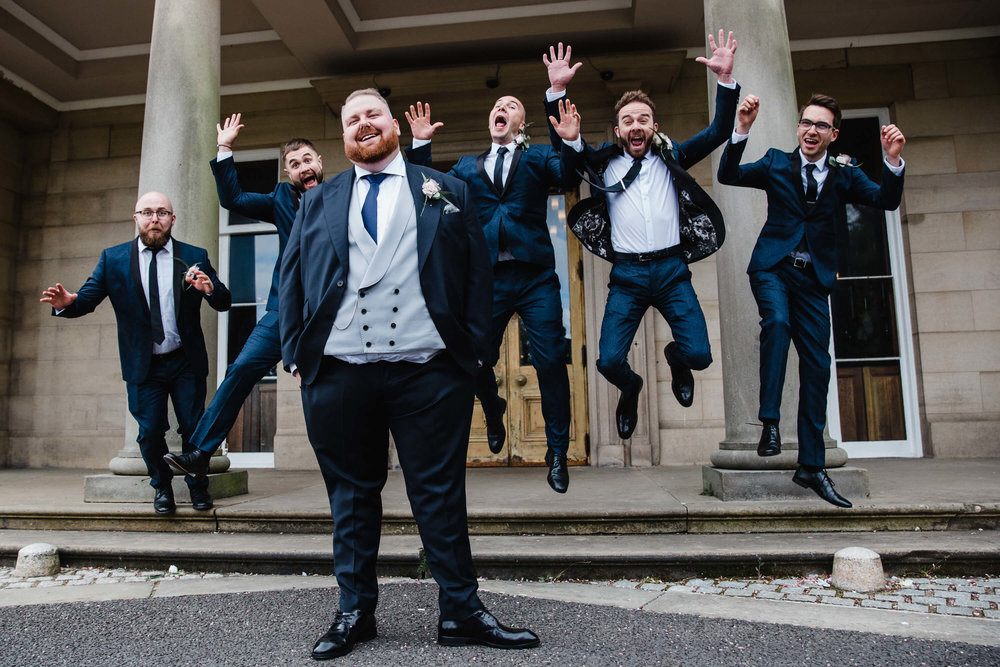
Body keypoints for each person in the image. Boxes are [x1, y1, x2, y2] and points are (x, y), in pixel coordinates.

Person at [279, 88, 539, 660]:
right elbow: (290, 281)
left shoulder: (448, 191)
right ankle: (354, 613)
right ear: (344, 135)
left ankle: (461, 612)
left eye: (372, 115)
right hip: (340, 372)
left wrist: (471, 356)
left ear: (393, 124)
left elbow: (477, 278)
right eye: (352, 120)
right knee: (350, 496)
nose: (363, 125)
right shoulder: (316, 202)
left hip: (428, 371)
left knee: (440, 494)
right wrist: (296, 352)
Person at [403, 46, 582, 493]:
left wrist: (558, 97)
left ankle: (556, 451)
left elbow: (570, 173)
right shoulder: (466, 166)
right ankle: (495, 406)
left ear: (522, 124)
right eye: (498, 107)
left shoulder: (539, 158)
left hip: (536, 276)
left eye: (511, 108)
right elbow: (424, 194)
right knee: (472, 359)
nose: (502, 110)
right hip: (487, 280)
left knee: (549, 363)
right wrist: (421, 146)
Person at [549, 31, 740, 441]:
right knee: (608, 361)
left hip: (672, 271)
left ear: (654, 127)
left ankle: (675, 358)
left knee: (700, 356)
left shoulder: (673, 157)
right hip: (628, 278)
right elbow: (570, 152)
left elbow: (720, 129)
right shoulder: (603, 163)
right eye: (628, 120)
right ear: (618, 130)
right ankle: (631, 388)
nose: (636, 126)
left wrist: (725, 80)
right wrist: (557, 91)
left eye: (643, 120)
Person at [717, 93, 905, 508]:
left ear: (833, 134)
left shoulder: (845, 174)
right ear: (798, 128)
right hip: (772, 268)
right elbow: (728, 174)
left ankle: (812, 466)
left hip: (814, 280)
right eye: (806, 123)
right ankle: (769, 424)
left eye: (821, 125)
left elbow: (886, 201)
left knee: (819, 366)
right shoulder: (775, 163)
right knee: (777, 324)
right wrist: (742, 128)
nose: (811, 130)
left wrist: (891, 160)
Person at [40, 192, 231, 515]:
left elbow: (223, 299)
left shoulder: (193, 256)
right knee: (150, 432)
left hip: (186, 360)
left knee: (194, 428)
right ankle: (162, 489)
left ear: (172, 219)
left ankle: (198, 488)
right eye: (147, 212)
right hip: (144, 364)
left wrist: (210, 290)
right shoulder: (113, 259)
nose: (154, 218)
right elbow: (85, 300)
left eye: (162, 213)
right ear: (136, 218)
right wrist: (67, 306)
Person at [164, 114, 323, 480]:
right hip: (282, 311)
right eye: (294, 164)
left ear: (320, 163)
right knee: (239, 370)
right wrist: (224, 148)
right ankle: (200, 452)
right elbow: (231, 198)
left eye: (307, 160)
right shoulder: (282, 197)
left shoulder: (341, 196)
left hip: (326, 315)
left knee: (321, 392)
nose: (303, 168)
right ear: (288, 173)